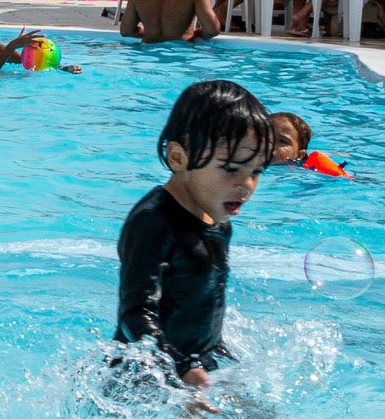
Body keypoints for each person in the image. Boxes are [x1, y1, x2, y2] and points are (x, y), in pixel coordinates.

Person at [112, 79, 272, 400]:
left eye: (256, 171)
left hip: (194, 370)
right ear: (178, 157)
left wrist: (226, 364)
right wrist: (184, 367)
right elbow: (135, 313)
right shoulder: (154, 221)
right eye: (231, 168)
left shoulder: (219, 222)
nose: (246, 185)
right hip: (142, 379)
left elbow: (208, 310)